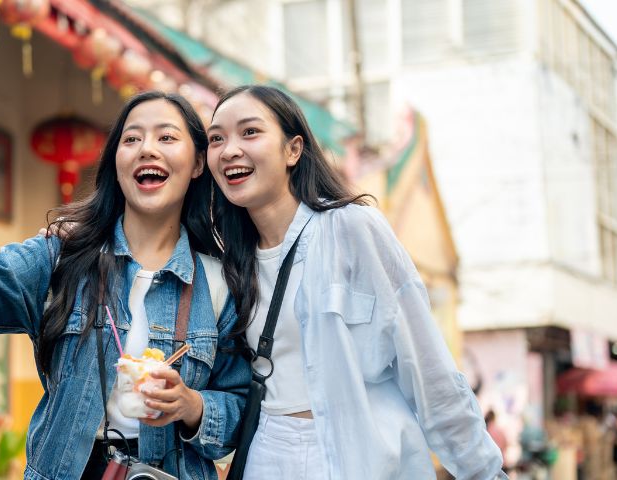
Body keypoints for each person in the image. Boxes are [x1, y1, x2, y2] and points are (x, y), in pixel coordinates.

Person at [0, 92, 249, 480]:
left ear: (196, 164)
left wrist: (191, 406)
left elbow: (238, 416)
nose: (147, 150)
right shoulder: (62, 257)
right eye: (132, 139)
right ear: (116, 162)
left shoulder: (218, 284)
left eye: (167, 138)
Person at [204, 85, 505, 479]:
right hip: (269, 458)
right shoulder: (229, 261)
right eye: (216, 139)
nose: (229, 150)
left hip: (358, 457)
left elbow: (428, 368)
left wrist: (483, 471)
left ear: (293, 150)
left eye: (250, 132)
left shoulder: (351, 229)